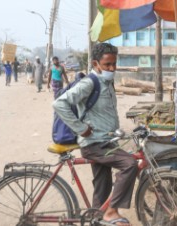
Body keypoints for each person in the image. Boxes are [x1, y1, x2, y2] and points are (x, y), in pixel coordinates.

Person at [53, 43, 136, 226]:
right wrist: (80, 128)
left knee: (102, 187)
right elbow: (59, 104)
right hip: (94, 144)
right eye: (107, 65)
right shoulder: (89, 83)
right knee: (130, 164)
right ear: (96, 64)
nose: (112, 68)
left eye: (114, 64)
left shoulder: (107, 82)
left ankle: (96, 218)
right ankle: (112, 212)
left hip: (105, 141)